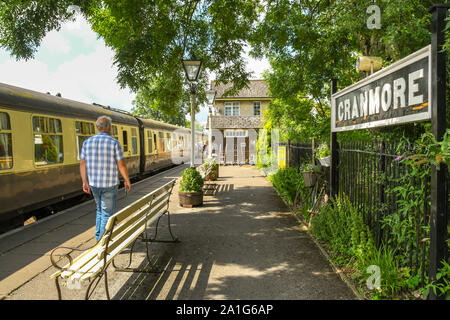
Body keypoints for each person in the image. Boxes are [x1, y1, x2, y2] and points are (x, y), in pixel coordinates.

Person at [80, 116, 131, 241]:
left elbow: (82, 163)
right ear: (108, 127)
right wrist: (127, 179)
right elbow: (121, 164)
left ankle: (98, 237)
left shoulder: (87, 142)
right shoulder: (114, 143)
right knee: (107, 214)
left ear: (98, 127)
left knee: (99, 211)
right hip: (109, 184)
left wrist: (84, 182)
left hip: (94, 184)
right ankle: (102, 242)